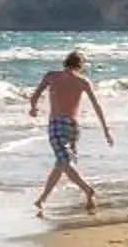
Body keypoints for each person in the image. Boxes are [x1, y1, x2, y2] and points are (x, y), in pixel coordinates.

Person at [26, 49, 113, 215]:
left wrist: (33, 109)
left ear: (65, 62)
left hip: (57, 124)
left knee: (65, 162)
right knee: (61, 163)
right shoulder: (82, 81)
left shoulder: (51, 76)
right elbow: (97, 106)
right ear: (80, 66)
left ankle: (88, 190)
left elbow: (35, 95)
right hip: (73, 126)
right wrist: (106, 130)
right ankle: (42, 199)